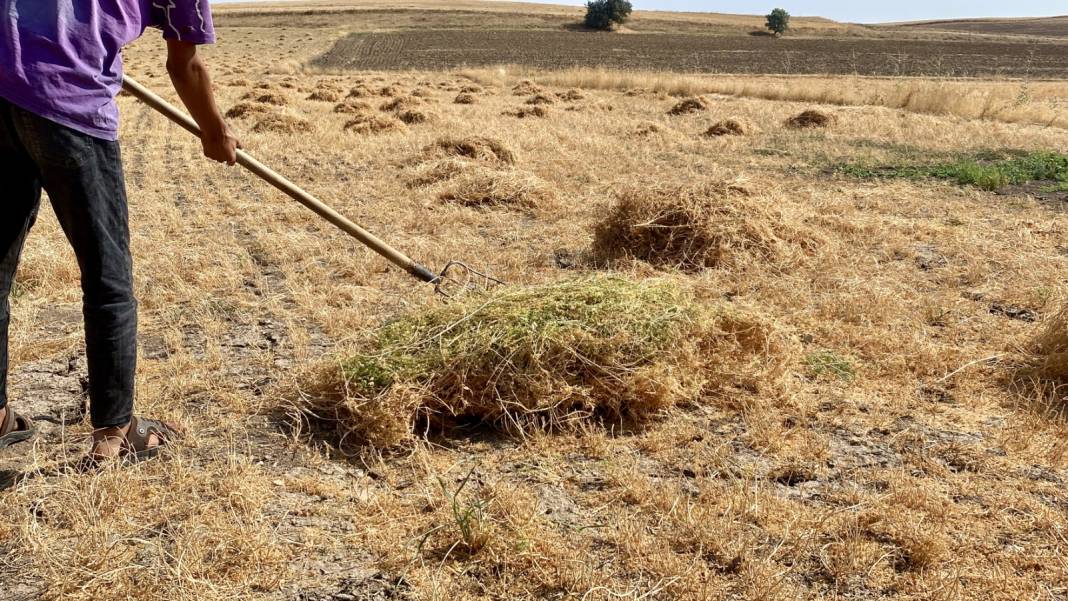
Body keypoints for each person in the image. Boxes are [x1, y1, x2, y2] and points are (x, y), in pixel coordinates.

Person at [0, 1, 240, 463]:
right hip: (68, 103)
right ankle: (115, 429)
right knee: (107, 272)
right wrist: (214, 129)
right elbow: (184, 63)